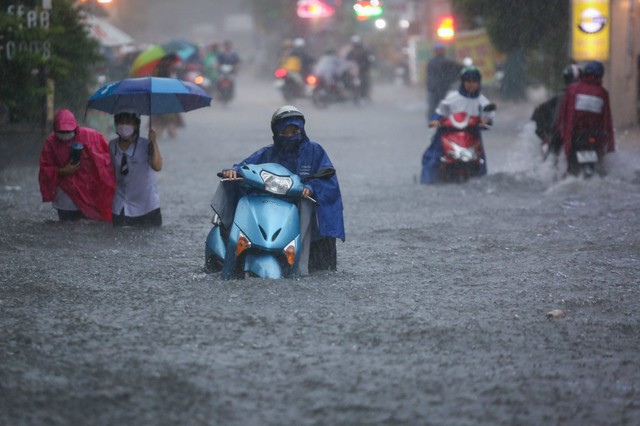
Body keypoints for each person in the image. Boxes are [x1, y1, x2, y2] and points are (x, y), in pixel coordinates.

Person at [213, 105, 345, 274]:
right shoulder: (268, 153)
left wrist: (311, 188)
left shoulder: (315, 151)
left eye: (294, 131)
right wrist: (233, 171)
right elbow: (245, 167)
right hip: (275, 217)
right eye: (284, 132)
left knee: (320, 273)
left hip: (307, 221)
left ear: (302, 130)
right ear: (276, 133)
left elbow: (328, 181)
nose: (289, 136)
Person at [420, 66, 494, 184]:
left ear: (479, 83)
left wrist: (486, 122)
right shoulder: (452, 98)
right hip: (449, 131)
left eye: (474, 81)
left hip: (472, 134)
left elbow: (488, 118)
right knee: (432, 156)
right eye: (468, 81)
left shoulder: (483, 101)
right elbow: (440, 112)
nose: (471, 84)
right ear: (463, 82)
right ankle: (428, 181)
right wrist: (435, 120)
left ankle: (481, 181)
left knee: (481, 160)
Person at [38, 109, 115, 222]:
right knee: (67, 226)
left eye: (68, 131)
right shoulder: (51, 142)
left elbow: (107, 157)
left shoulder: (90, 136)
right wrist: (62, 171)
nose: (65, 135)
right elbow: (45, 169)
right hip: (65, 196)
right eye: (62, 132)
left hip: (88, 192)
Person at [555, 60, 614, 176]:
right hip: (595, 137)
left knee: (566, 168)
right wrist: (608, 142)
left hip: (575, 136)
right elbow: (607, 119)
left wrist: (560, 130)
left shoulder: (572, 90)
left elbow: (563, 114)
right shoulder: (603, 93)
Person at [109, 109, 163, 227]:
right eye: (121, 122)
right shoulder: (112, 146)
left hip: (147, 206)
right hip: (121, 205)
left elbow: (157, 166)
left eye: (128, 122)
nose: (124, 126)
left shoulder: (145, 144)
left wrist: (153, 142)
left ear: (136, 125)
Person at [531, 63, 581, 161]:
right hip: (576, 133)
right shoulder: (562, 97)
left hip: (570, 134)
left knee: (551, 156)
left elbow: (540, 114)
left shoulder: (561, 97)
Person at [426, 43, 463, 118]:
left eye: (440, 50)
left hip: (443, 88)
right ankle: (433, 120)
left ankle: (443, 120)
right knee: (433, 106)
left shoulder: (447, 61)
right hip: (434, 88)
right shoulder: (432, 62)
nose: (439, 51)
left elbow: (458, 69)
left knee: (443, 105)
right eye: (437, 50)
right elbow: (429, 75)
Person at [345, 35, 375, 101]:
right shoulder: (350, 52)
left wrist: (366, 64)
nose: (356, 47)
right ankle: (349, 93)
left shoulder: (365, 52)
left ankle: (366, 94)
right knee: (347, 80)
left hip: (363, 70)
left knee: (365, 80)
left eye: (357, 45)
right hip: (353, 71)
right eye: (355, 45)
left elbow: (369, 59)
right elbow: (346, 60)